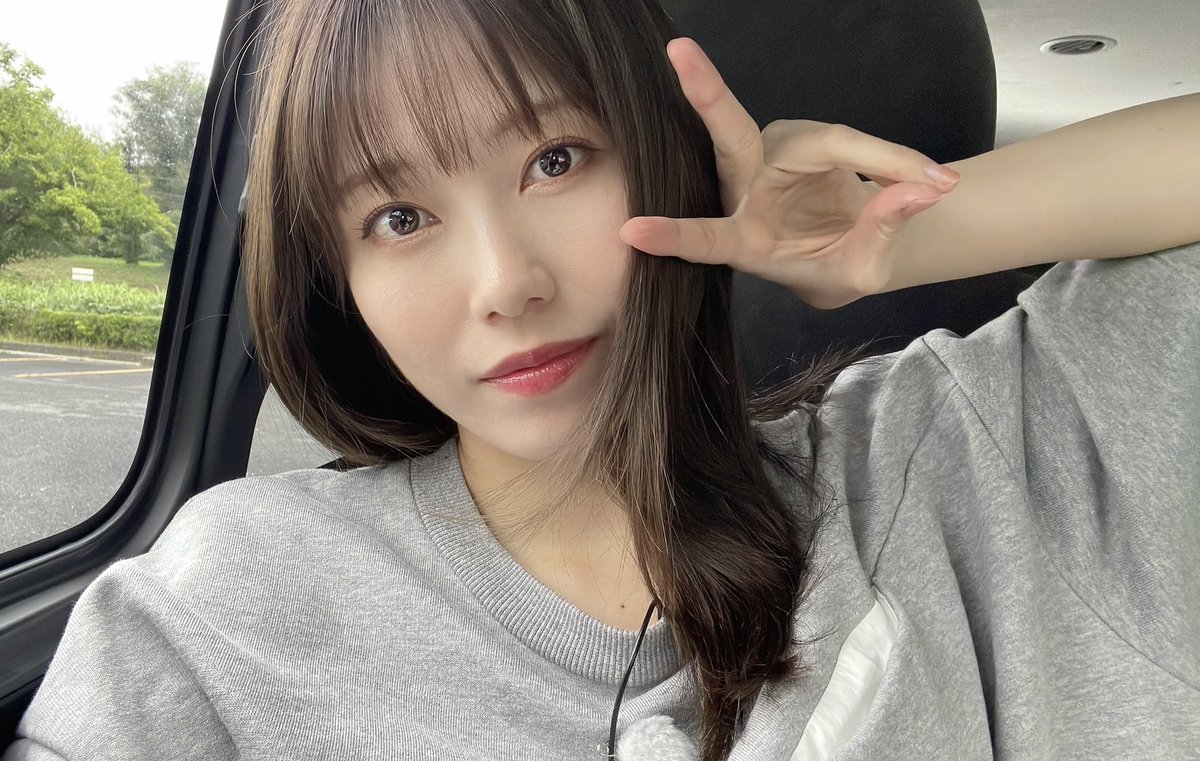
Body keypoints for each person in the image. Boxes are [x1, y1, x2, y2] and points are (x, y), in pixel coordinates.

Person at [5, 0, 1198, 759]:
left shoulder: (964, 460)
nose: (505, 282)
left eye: (555, 158)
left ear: (664, 156)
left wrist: (898, 238)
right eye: (399, 216)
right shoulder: (225, 603)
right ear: (340, 281)